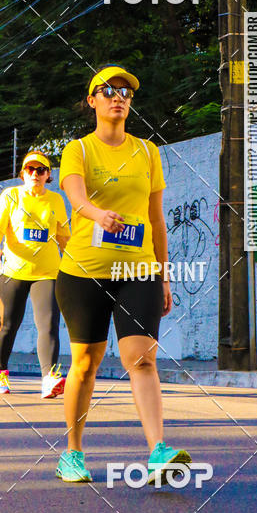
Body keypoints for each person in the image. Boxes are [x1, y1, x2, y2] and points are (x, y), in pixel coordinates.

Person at [54, 66, 191, 484]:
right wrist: (98, 214)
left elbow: (156, 220)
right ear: (92, 100)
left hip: (139, 270)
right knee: (84, 364)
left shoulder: (148, 152)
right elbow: (75, 196)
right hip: (84, 272)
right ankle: (72, 453)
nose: (118, 97)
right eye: (108, 91)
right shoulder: (77, 149)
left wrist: (164, 276)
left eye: (126, 92)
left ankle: (157, 452)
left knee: (142, 359)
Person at [0, 150, 70, 399]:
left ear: (48, 175)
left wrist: (73, 264)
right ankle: (0, 373)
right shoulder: (11, 195)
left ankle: (49, 378)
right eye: (30, 170)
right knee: (8, 326)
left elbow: (64, 236)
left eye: (41, 170)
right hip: (12, 271)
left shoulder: (56, 200)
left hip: (47, 272)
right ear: (23, 173)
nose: (35, 174)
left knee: (48, 324)